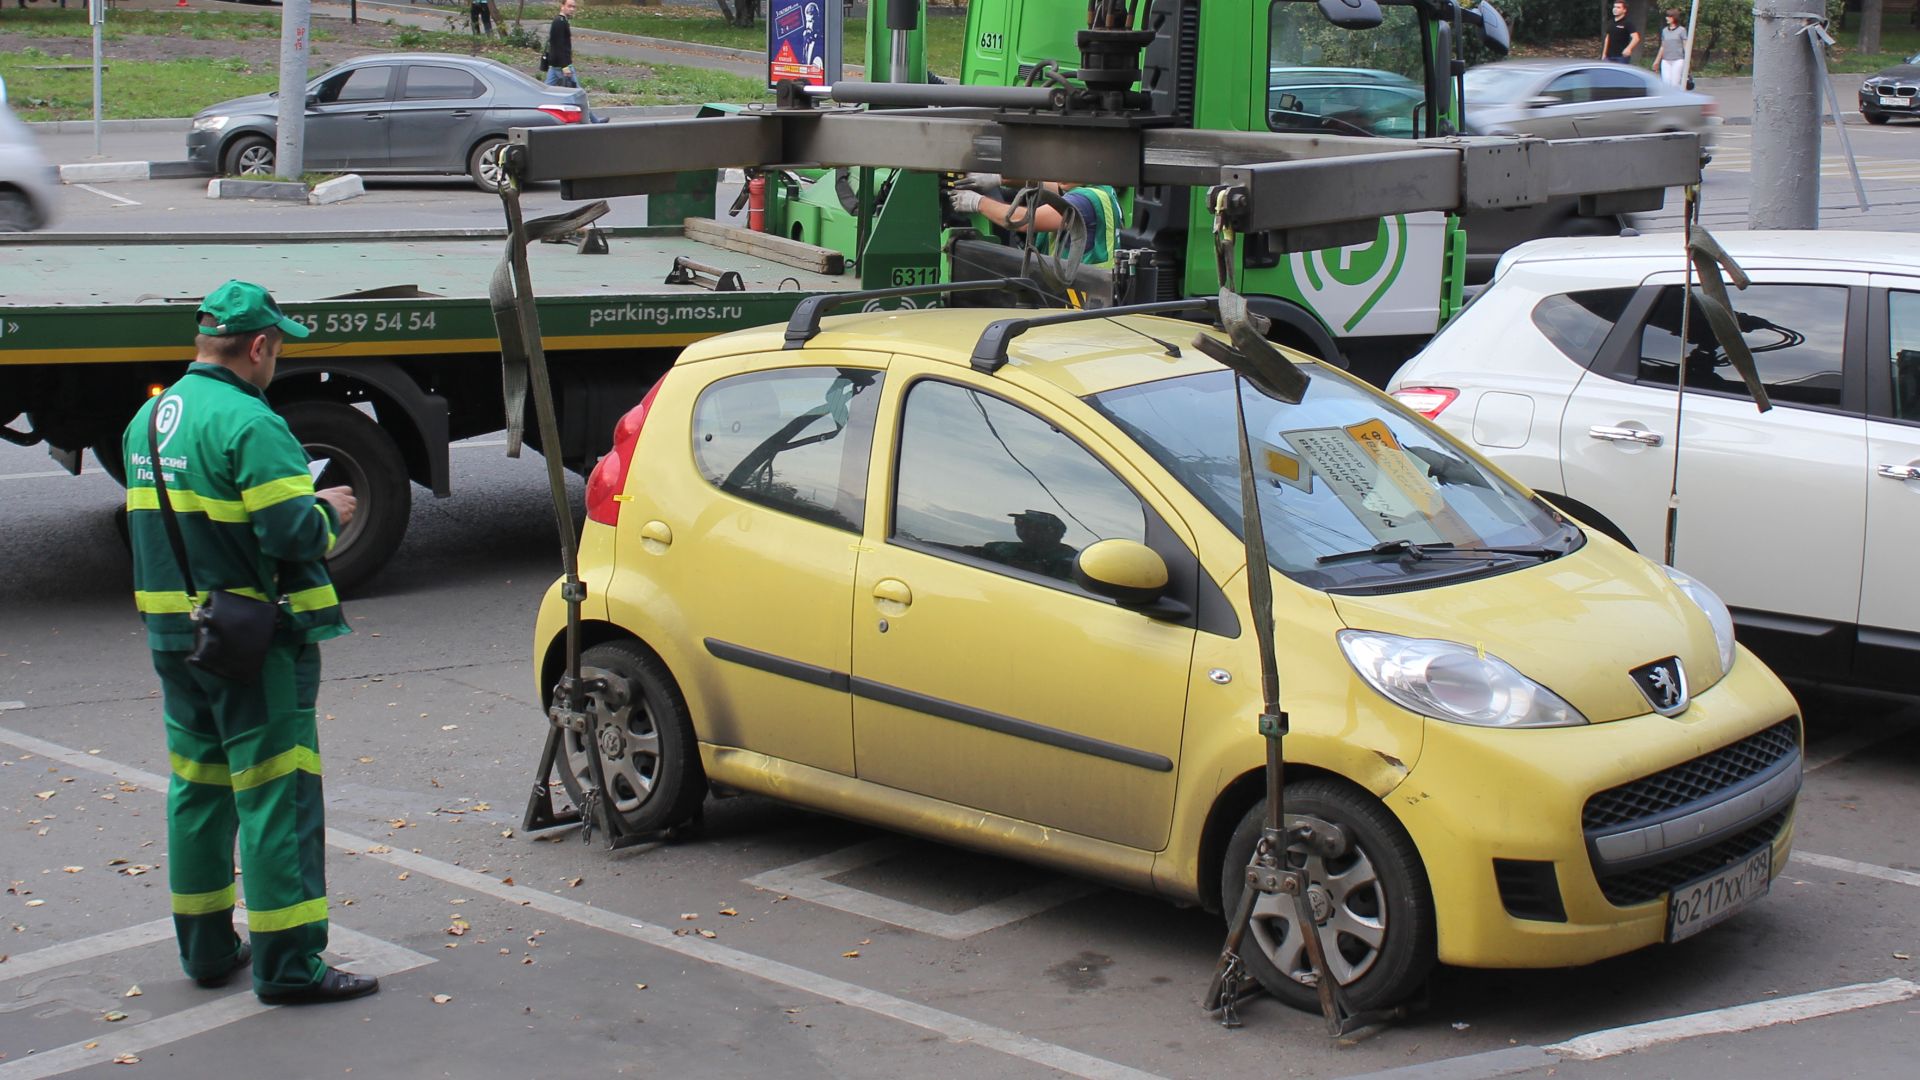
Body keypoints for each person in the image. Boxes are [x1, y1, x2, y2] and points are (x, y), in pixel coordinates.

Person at [121, 281, 376, 1007]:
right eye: (279, 347)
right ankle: (290, 966)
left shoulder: (149, 418)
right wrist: (327, 509)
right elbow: (290, 534)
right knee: (277, 799)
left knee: (198, 793)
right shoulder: (251, 422)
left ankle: (206, 951)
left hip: (176, 636)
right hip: (249, 643)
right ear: (259, 346)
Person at [945, 174, 1122, 269]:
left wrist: (977, 202)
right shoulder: (1100, 187)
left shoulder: (1083, 201)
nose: (1059, 175)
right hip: (1093, 284)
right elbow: (1044, 184)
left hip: (1081, 290)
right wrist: (998, 178)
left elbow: (1024, 221)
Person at [981, 510, 1079, 580]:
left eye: (1033, 527)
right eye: (1020, 524)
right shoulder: (997, 548)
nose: (1024, 530)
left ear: (1055, 533)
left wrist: (1047, 572)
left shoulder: (1075, 563)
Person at [546, 0, 577, 87]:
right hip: (562, 65)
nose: (572, 9)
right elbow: (558, 45)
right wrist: (565, 66)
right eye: (569, 6)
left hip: (555, 64)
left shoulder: (562, 21)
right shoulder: (560, 22)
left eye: (574, 7)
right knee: (575, 91)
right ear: (562, 6)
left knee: (547, 89)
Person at [1657, 8, 1688, 87]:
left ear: (1674, 17)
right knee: (1666, 83)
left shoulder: (1681, 30)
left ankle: (1676, 95)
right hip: (1666, 60)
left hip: (1678, 60)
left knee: (1675, 83)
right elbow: (1663, 46)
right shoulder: (1664, 31)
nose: (1667, 18)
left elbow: (1685, 46)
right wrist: (1657, 60)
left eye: (1669, 16)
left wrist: (1688, 60)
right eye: (1667, 16)